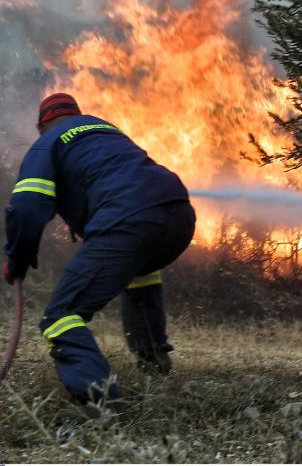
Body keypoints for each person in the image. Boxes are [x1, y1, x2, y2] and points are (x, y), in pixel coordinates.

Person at [3, 92, 196, 407]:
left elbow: (27, 204)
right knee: (141, 273)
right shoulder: (106, 130)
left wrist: (17, 258)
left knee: (61, 316)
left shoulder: (48, 142)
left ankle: (104, 406)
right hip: (179, 215)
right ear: (77, 114)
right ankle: (154, 363)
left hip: (128, 220)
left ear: (42, 125)